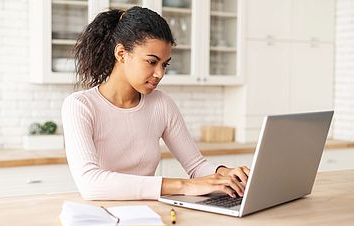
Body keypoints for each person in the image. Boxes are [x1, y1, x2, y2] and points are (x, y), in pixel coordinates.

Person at [61, 6, 250, 200]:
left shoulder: (161, 103)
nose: (160, 73)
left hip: (149, 213)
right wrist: (183, 185)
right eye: (152, 62)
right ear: (121, 54)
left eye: (164, 64)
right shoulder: (80, 106)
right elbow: (91, 183)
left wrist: (226, 173)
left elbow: (196, 166)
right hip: (102, 215)